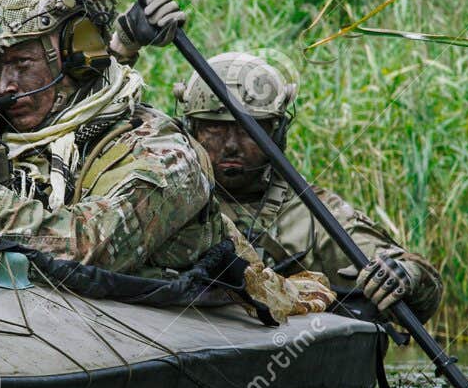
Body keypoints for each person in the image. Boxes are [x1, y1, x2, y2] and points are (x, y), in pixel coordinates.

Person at [0, 0, 333, 318]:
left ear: (78, 54)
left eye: (21, 63)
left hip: (189, 320)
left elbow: (87, 250)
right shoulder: (7, 149)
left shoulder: (165, 151)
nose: (4, 86)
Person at [175, 52, 443, 321]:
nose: (231, 145)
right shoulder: (170, 203)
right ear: (192, 129)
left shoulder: (313, 215)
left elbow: (420, 291)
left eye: (249, 130)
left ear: (276, 134)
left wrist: (408, 275)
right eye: (215, 129)